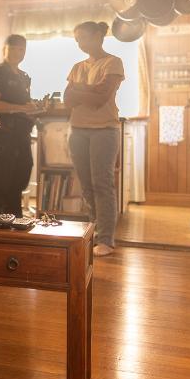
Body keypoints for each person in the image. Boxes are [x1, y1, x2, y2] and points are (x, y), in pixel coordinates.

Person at [64, 21, 124, 257]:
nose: (80, 43)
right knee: (87, 187)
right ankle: (95, 232)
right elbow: (68, 99)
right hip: (77, 130)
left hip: (104, 130)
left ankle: (106, 239)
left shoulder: (113, 62)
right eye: (77, 39)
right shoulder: (77, 66)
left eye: (84, 38)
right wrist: (82, 92)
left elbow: (101, 97)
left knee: (102, 184)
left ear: (99, 36)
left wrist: (80, 91)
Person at [0, 34, 41, 217]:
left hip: (21, 135)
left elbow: (22, 103)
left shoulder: (24, 77)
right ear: (4, 50)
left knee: (21, 176)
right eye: (13, 48)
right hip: (2, 135)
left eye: (21, 49)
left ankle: (15, 221)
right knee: (0, 182)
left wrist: (33, 108)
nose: (18, 52)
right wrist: (21, 108)